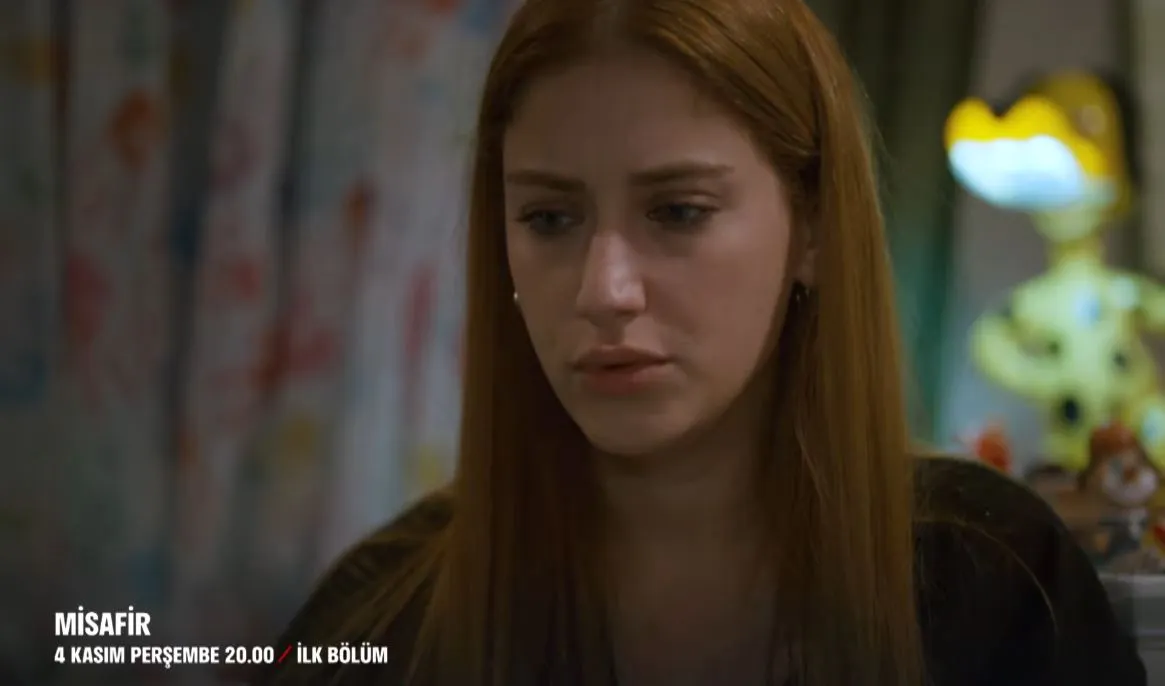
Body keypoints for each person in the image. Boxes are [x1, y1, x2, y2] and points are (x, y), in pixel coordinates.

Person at [253, 0, 1146, 684]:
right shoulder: (376, 623)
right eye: (549, 218)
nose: (604, 290)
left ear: (812, 227)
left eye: (678, 211)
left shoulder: (996, 583)